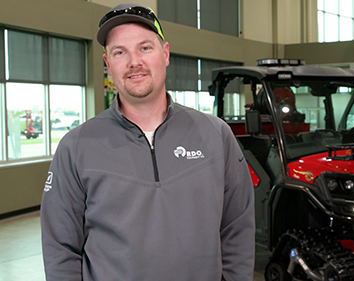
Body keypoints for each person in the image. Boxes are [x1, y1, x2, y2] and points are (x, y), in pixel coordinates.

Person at [40, 3, 255, 281]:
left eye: (145, 48)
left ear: (164, 54)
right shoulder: (76, 146)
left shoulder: (216, 135)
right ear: (108, 64)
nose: (134, 62)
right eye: (120, 52)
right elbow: (60, 249)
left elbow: (237, 229)